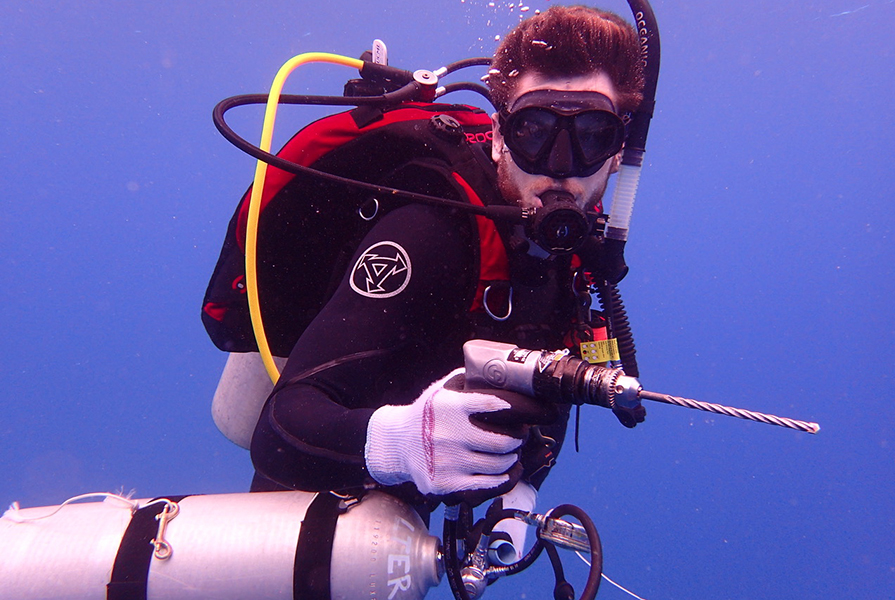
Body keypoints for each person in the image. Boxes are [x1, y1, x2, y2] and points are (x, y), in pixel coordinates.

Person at [209, 6, 645, 523]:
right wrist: (405, 441)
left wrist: (518, 498)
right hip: (302, 522)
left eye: (592, 136)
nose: (560, 167)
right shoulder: (430, 233)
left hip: (400, 533)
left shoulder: (574, 261)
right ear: (502, 139)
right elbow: (281, 430)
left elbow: (547, 389)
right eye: (535, 131)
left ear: (620, 153)